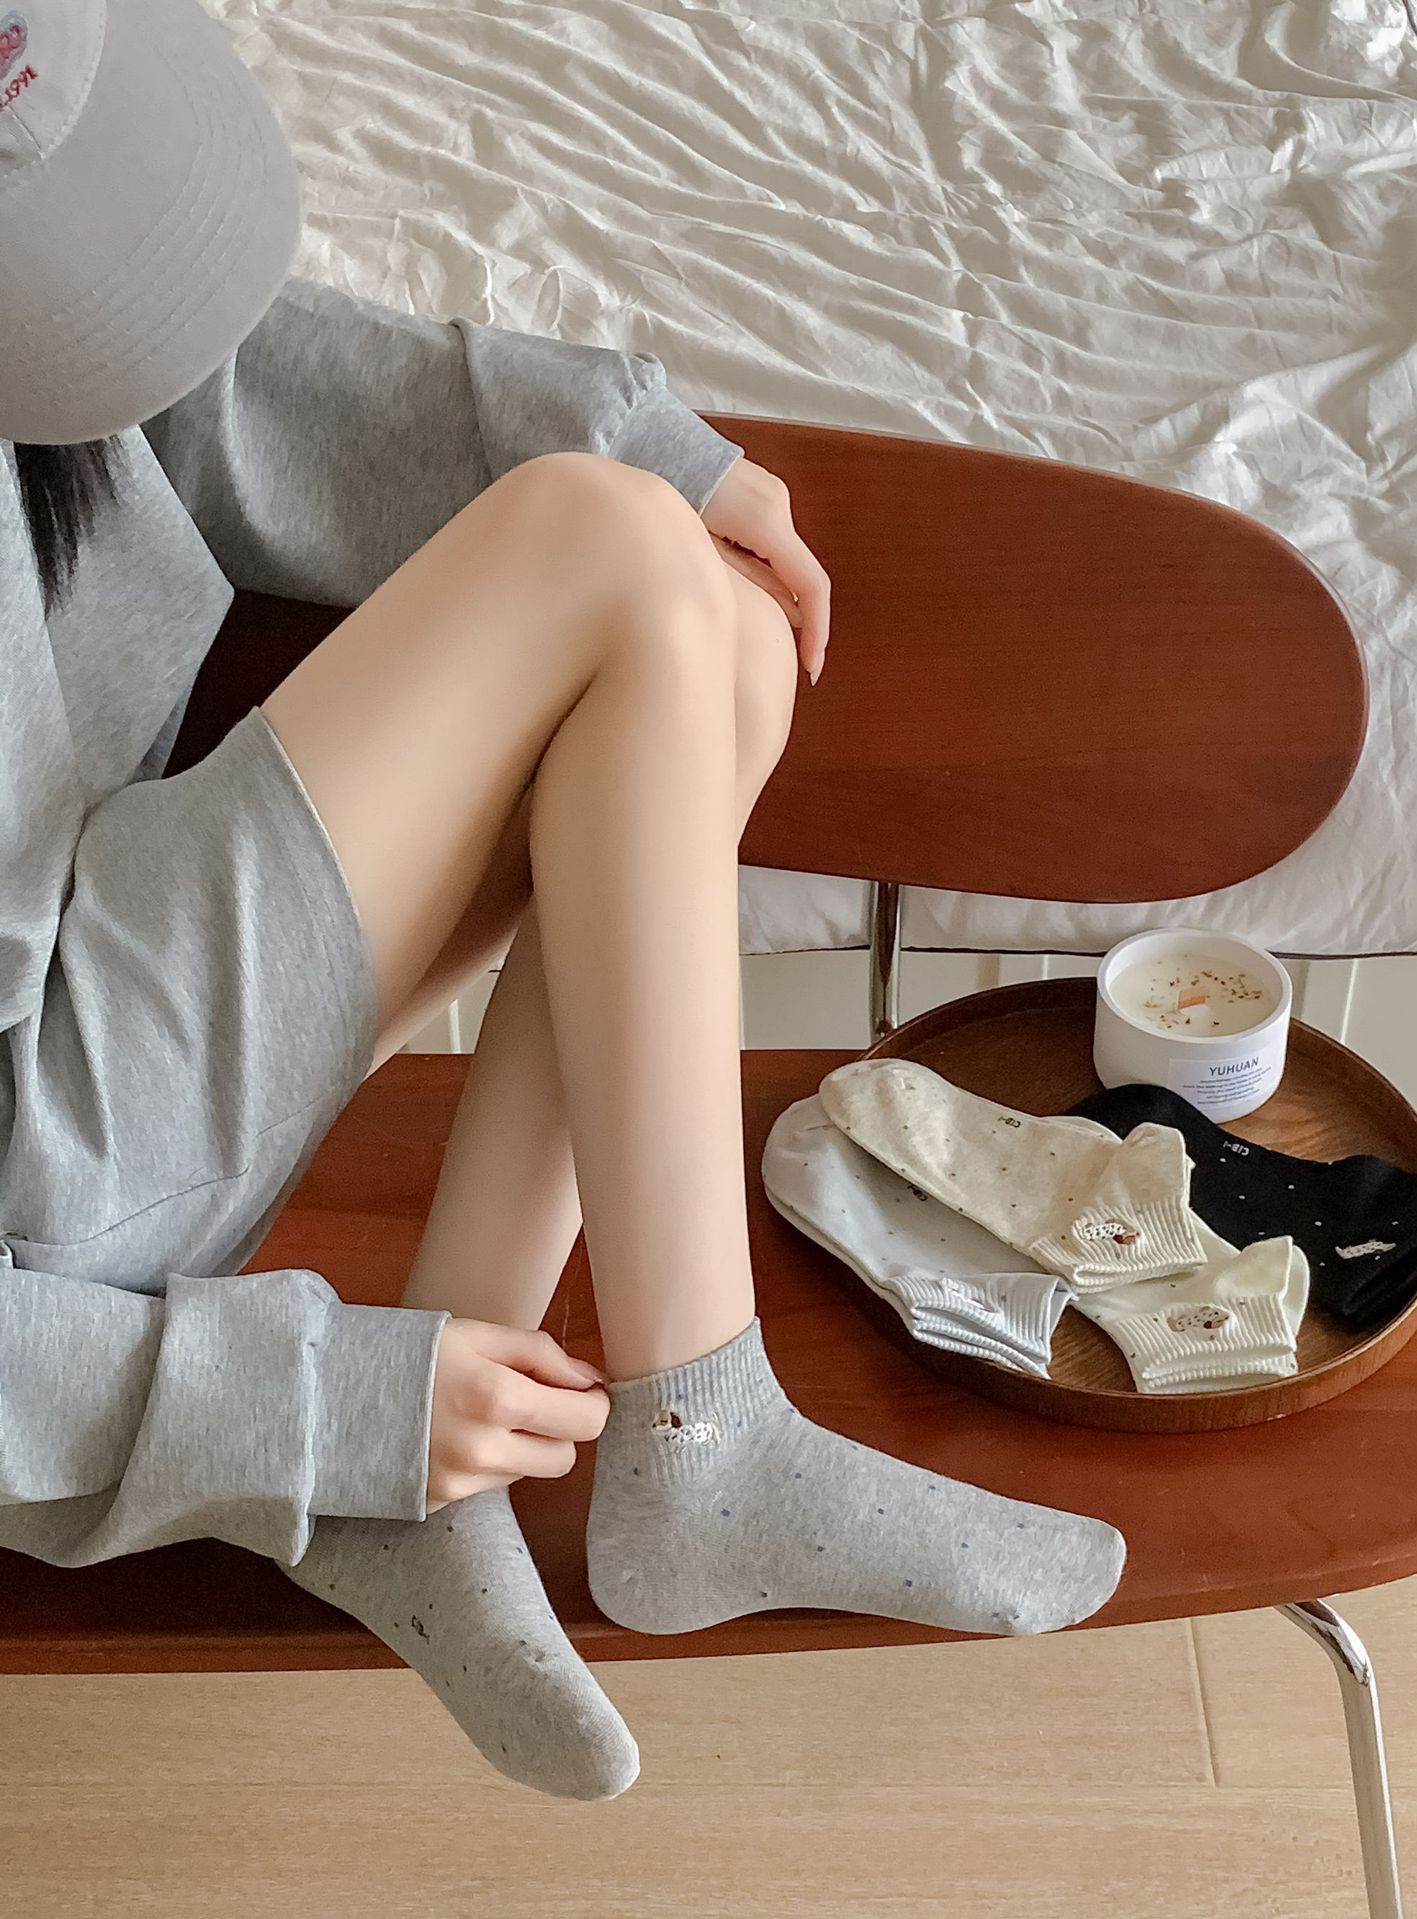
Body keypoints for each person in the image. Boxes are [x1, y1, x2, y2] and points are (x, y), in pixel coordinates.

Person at [0, 0, 1126, 1803]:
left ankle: (473, 1499)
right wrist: (316, 1404)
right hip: (44, 1223)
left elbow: (187, 370)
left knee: (715, 625)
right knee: (603, 554)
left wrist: (656, 446)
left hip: (104, 1014)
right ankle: (701, 1424)